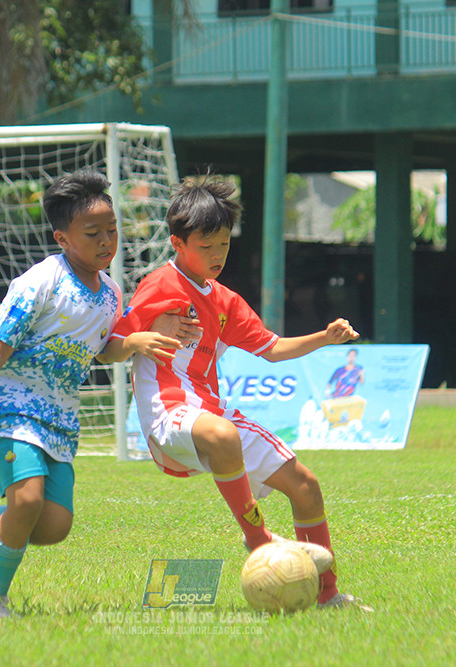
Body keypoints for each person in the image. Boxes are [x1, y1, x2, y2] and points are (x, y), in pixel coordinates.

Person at [0, 170, 190, 618]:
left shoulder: (111, 294)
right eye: (92, 233)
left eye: (112, 230)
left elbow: (102, 349)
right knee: (27, 501)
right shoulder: (40, 281)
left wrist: (133, 342)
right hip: (10, 406)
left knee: (53, 525)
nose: (106, 241)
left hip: (60, 418)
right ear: (62, 238)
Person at [106, 176, 370, 610]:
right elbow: (109, 349)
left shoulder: (226, 301)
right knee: (224, 435)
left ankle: (327, 595)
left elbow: (273, 349)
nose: (217, 255)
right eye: (206, 246)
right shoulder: (160, 285)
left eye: (225, 245)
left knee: (306, 486)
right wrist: (137, 341)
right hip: (166, 413)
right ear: (177, 243)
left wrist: (324, 337)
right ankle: (259, 539)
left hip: (212, 412)